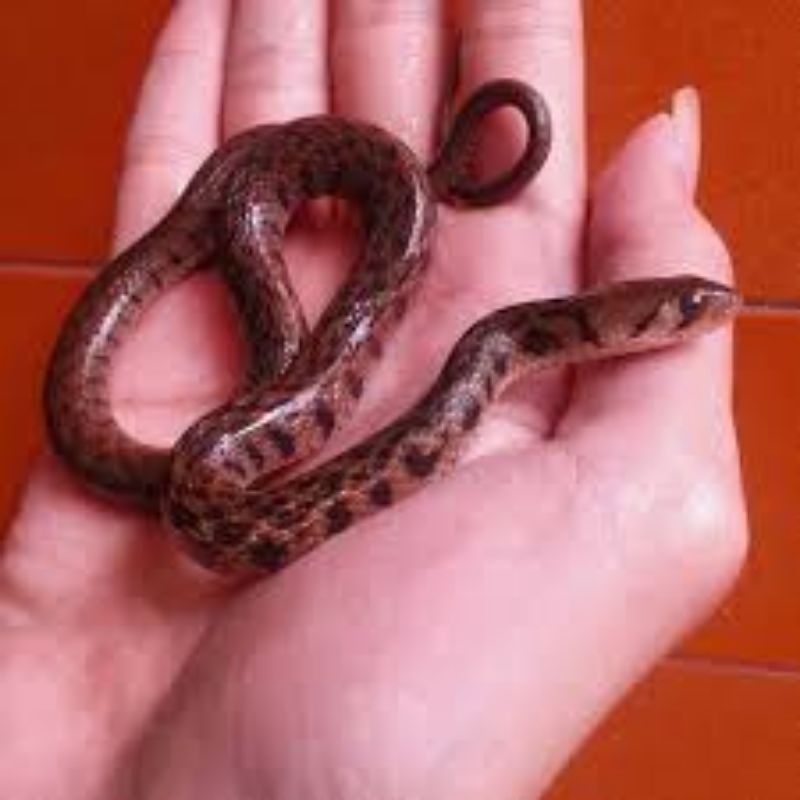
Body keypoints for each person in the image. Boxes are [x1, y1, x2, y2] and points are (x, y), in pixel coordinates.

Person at [1, 1, 746, 797]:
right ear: (609, 321)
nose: (701, 316)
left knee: (278, 352)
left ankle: (278, 203)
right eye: (683, 310)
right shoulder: (497, 343)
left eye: (685, 308)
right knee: (269, 336)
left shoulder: (498, 343)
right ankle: (262, 204)